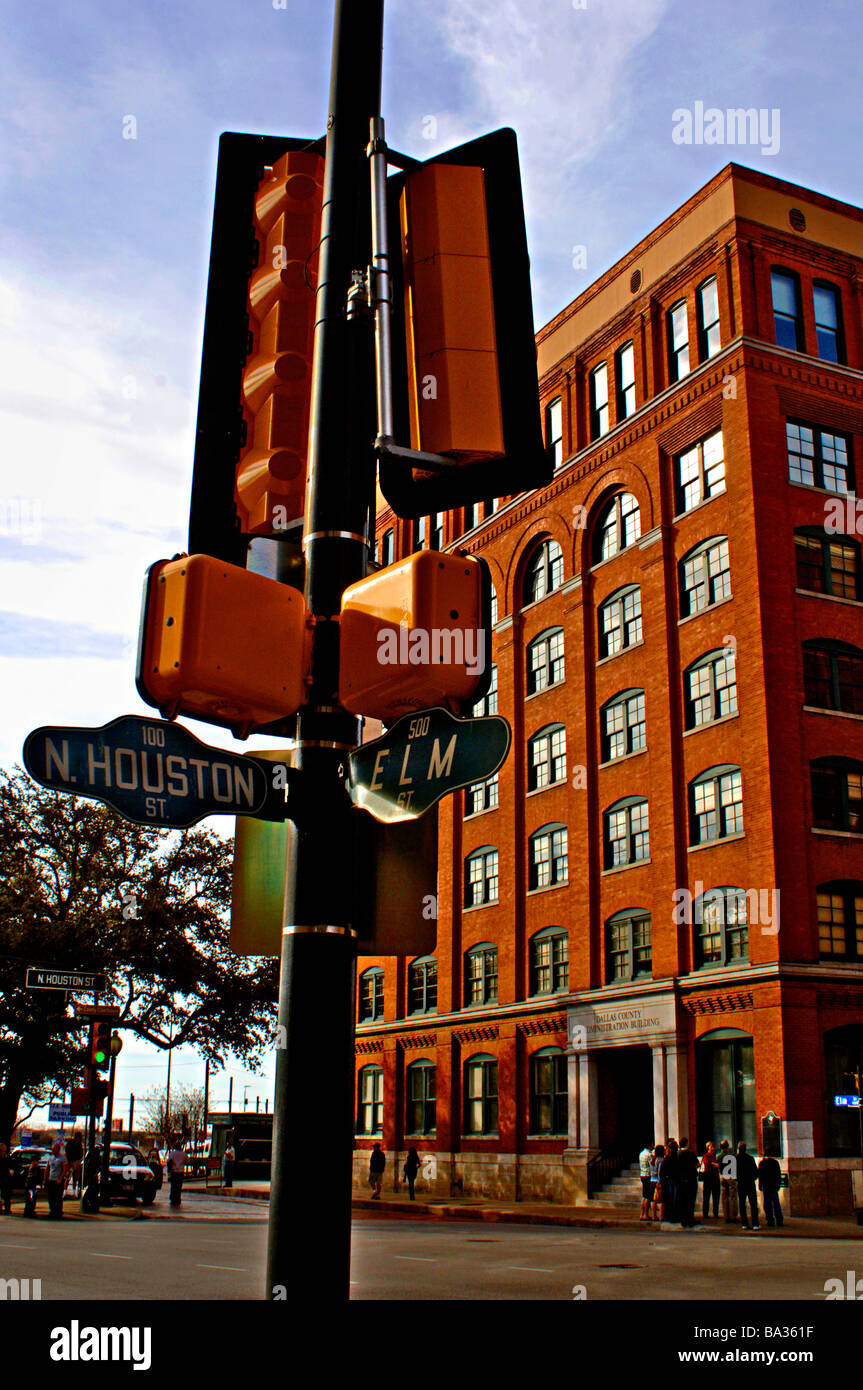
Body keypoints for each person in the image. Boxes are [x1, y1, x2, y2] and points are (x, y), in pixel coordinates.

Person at [677, 1138, 700, 1227]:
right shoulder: (691, 1154)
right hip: (691, 1179)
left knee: (682, 1200)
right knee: (691, 1200)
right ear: (687, 1144)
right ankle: (690, 1219)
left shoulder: (678, 1154)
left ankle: (683, 1219)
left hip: (681, 1180)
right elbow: (698, 1164)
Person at [736, 1141, 759, 1230]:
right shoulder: (750, 1158)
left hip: (741, 1183)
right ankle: (755, 1223)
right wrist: (753, 1178)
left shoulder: (736, 1158)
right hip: (750, 1183)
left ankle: (744, 1223)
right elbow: (755, 1171)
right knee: (753, 1203)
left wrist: (737, 1179)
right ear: (745, 1149)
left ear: (738, 1149)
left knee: (742, 1203)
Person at [758, 1152, 784, 1228]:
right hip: (773, 1185)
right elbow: (778, 1174)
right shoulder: (775, 1162)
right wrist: (778, 1184)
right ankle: (779, 1220)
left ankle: (770, 1220)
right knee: (776, 1203)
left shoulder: (762, 1163)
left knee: (767, 1204)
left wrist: (760, 1185)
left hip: (766, 1186)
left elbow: (761, 1176)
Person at [45, 1140, 68, 1219]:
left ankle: (58, 1212)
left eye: (54, 1149)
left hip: (58, 1180)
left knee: (58, 1197)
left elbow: (64, 1170)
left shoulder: (62, 1158)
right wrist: (45, 1179)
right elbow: (47, 1168)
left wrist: (60, 1179)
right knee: (51, 1197)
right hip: (51, 1179)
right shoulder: (50, 1158)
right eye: (52, 1149)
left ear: (58, 1150)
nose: (53, 1151)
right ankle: (52, 1211)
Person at [659, 1139, 679, 1224]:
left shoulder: (669, 1158)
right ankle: (670, 1215)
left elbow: (661, 1172)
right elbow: (662, 1172)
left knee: (671, 1199)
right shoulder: (670, 1158)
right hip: (670, 1180)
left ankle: (671, 1215)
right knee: (671, 1199)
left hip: (671, 1180)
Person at [718, 1139, 738, 1223]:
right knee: (732, 1197)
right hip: (731, 1176)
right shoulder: (732, 1155)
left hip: (723, 1176)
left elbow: (719, 1167)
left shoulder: (719, 1156)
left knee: (724, 1197)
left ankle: (726, 1216)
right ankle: (733, 1216)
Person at [701, 1141, 720, 1220]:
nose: (713, 1148)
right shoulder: (706, 1156)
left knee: (716, 1196)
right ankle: (705, 1213)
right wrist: (714, 1164)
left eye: (713, 1147)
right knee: (706, 1196)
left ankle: (716, 1213)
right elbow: (707, 1164)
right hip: (708, 1178)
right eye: (711, 1147)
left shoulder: (715, 1156)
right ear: (708, 1148)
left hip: (715, 1177)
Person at [166, 1139, 185, 1208]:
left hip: (174, 1172)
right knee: (179, 1186)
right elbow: (188, 1161)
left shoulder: (172, 1154)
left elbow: (168, 1161)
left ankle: (173, 1199)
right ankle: (178, 1199)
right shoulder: (183, 1154)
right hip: (181, 1172)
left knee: (173, 1186)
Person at [638, 1140, 654, 1220]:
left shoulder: (641, 1153)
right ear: (649, 1146)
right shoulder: (649, 1154)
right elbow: (652, 1164)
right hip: (648, 1175)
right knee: (648, 1196)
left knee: (644, 1196)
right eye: (652, 1144)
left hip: (642, 1174)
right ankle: (646, 1214)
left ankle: (642, 1213)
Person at [64, 1131, 83, 1198]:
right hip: (70, 1162)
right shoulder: (70, 1143)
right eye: (81, 1136)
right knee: (68, 1177)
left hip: (77, 1162)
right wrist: (68, 1162)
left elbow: (81, 1153)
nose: (82, 1138)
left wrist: (79, 1161)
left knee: (75, 1178)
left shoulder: (80, 1144)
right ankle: (64, 1192)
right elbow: (67, 1152)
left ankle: (74, 1193)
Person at [649, 1144, 664, 1222]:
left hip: (652, 1180)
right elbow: (660, 1171)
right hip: (658, 1180)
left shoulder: (653, 1159)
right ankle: (661, 1216)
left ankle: (654, 1215)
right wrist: (660, 1181)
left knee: (653, 1199)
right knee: (661, 1199)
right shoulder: (660, 1160)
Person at [0, 1143, 13, 1214]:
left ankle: (7, 1209)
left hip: (6, 1179)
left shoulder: (7, 1157)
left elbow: (11, 1165)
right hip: (3, 1177)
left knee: (6, 1195)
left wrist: (11, 1171)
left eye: (4, 1150)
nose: (3, 1152)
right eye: (2, 1150)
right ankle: (2, 1208)